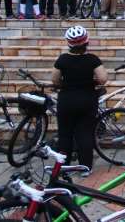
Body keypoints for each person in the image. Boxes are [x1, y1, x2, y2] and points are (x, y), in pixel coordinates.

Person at [52, 26, 107, 170]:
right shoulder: (92, 59)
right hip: (87, 99)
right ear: (86, 42)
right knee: (85, 133)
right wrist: (92, 82)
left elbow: (55, 80)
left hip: (66, 100)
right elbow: (102, 79)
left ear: (69, 43)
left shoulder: (62, 59)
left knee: (65, 134)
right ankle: (85, 167)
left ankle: (63, 166)